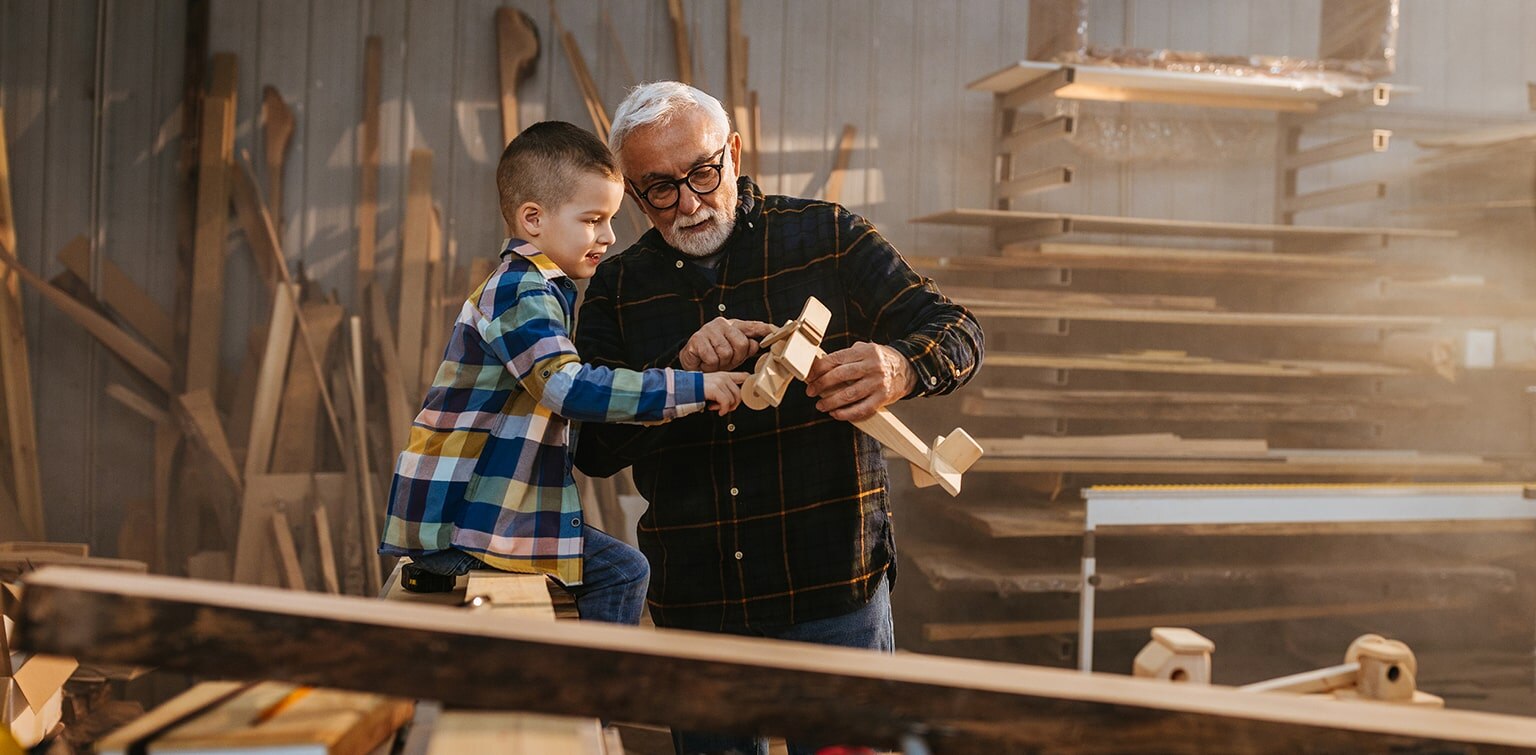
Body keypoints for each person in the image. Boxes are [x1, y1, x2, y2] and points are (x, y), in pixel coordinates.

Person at [574, 83, 984, 753]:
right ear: (633, 192)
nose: (690, 202)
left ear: (734, 151)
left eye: (704, 172)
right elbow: (590, 447)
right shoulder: (619, 288)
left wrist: (900, 365)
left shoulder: (826, 236)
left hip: (834, 594)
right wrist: (674, 370)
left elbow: (958, 329)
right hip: (700, 607)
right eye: (660, 189)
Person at [379, 121, 746, 625]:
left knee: (606, 568)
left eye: (611, 219)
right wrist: (695, 387)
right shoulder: (520, 292)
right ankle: (595, 695)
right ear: (533, 219)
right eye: (594, 219)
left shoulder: (536, 288)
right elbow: (566, 386)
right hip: (466, 520)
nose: (609, 236)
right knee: (623, 572)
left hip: (480, 513)